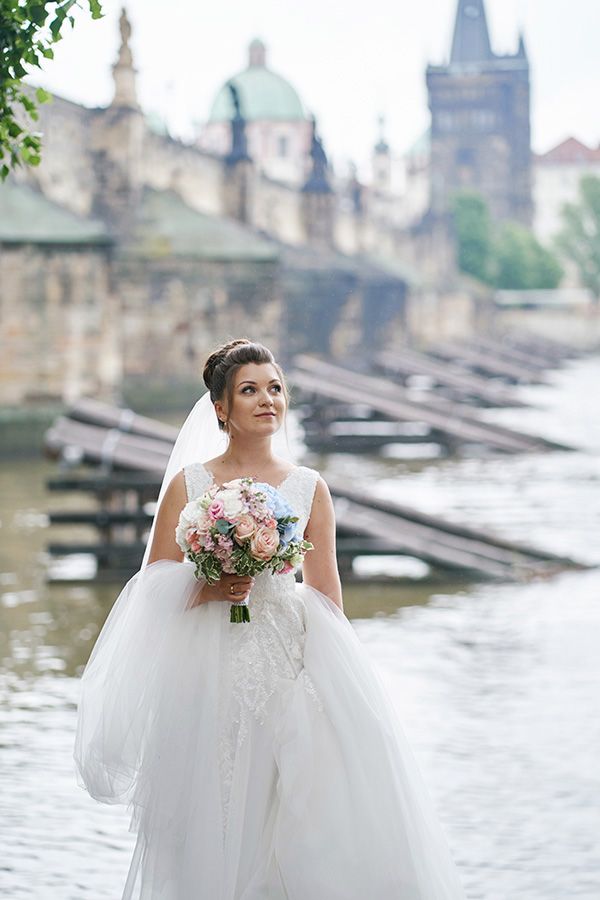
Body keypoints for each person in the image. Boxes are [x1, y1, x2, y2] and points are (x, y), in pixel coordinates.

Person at [74, 338, 467, 900]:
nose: (267, 400)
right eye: (250, 390)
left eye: (275, 389)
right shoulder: (191, 485)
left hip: (286, 658)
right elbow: (153, 583)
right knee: (214, 798)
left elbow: (326, 595)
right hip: (205, 663)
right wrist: (208, 586)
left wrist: (327, 679)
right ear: (221, 409)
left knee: (297, 808)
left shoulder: (310, 487)